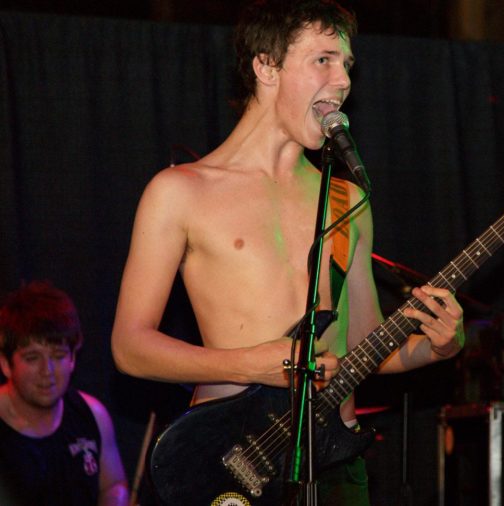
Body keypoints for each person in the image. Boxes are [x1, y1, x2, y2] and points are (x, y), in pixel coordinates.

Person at [110, 0, 464, 504]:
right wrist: (251, 364)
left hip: (338, 465)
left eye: (347, 65)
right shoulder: (180, 191)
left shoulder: (348, 199)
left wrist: (436, 348)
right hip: (233, 461)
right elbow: (130, 348)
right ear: (266, 66)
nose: (342, 80)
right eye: (324, 59)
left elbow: (364, 346)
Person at [0, 280, 129, 506]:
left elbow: (113, 485)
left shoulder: (92, 413)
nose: (47, 371)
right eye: (32, 358)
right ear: (5, 364)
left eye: (58, 356)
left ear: (72, 359)